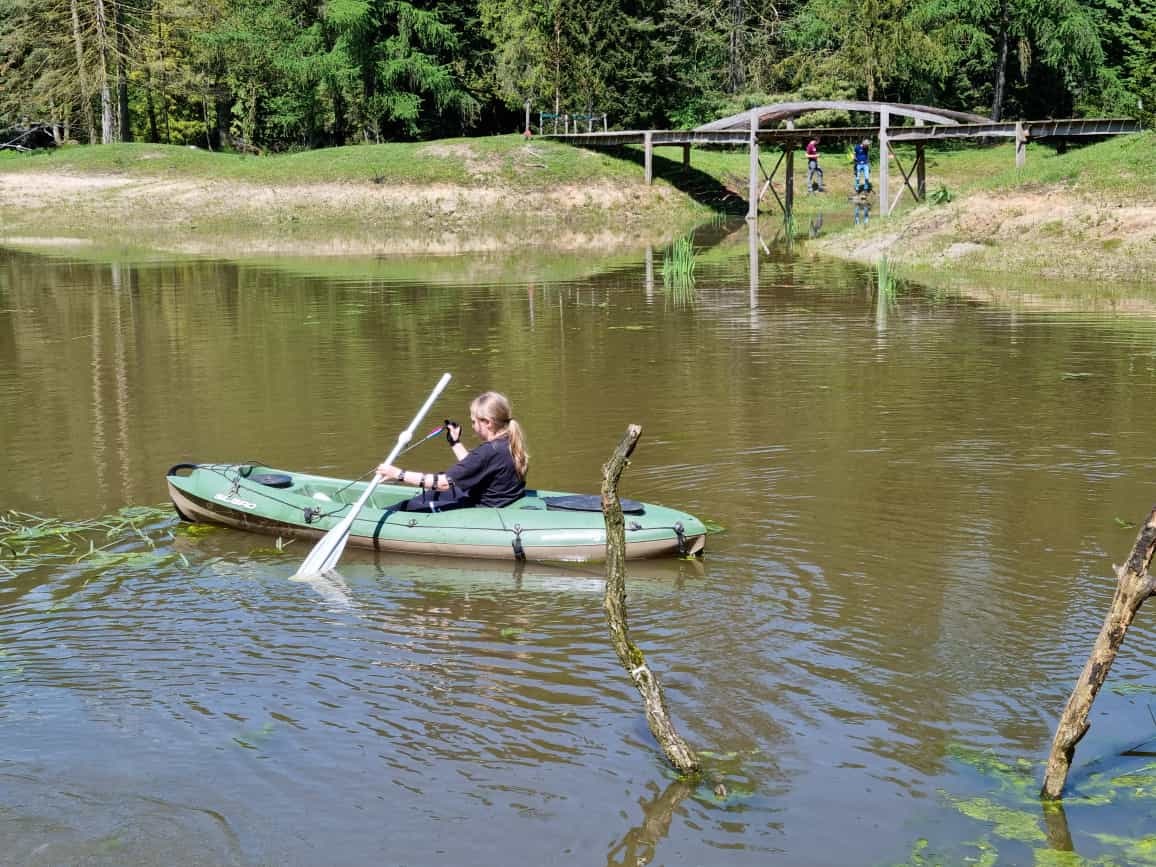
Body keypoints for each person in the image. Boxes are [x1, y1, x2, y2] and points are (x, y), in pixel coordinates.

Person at [377, 391, 529, 512]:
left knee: (407, 506)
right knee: (429, 496)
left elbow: (443, 483)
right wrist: (455, 442)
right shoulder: (509, 441)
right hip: (497, 501)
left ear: (488, 423)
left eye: (474, 422)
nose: (472, 426)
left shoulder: (489, 451)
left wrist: (398, 474)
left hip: (480, 510)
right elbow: (475, 466)